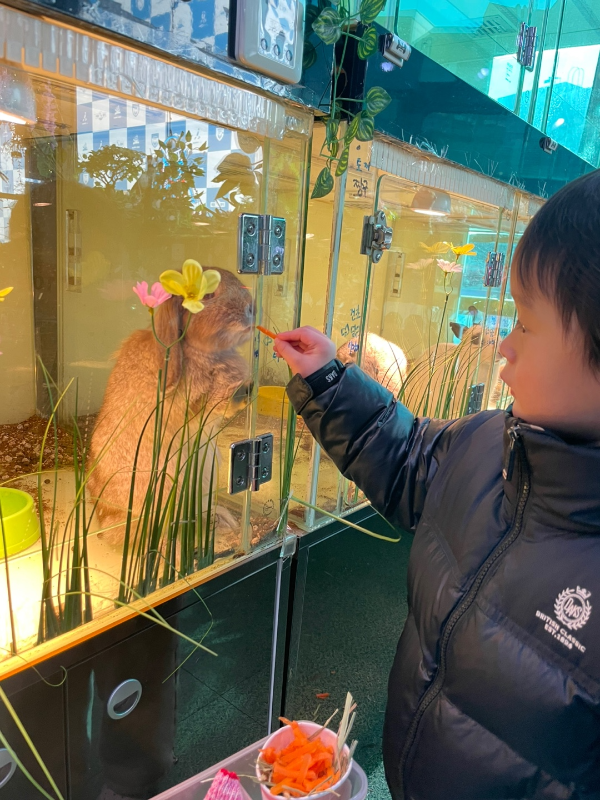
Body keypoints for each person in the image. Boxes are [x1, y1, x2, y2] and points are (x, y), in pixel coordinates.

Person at [273, 171, 600, 800]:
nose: (504, 347)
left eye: (526, 325)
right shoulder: (488, 444)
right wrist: (327, 379)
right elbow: (405, 457)